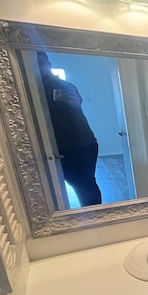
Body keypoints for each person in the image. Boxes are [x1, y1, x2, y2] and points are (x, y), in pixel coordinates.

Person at [37, 52, 102, 207]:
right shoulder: (33, 88)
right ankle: (93, 216)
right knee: (81, 184)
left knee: (85, 184)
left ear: (48, 65)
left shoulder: (63, 85)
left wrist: (73, 102)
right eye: (36, 64)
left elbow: (77, 101)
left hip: (80, 145)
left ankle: (95, 217)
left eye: (42, 63)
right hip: (65, 147)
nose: (39, 67)